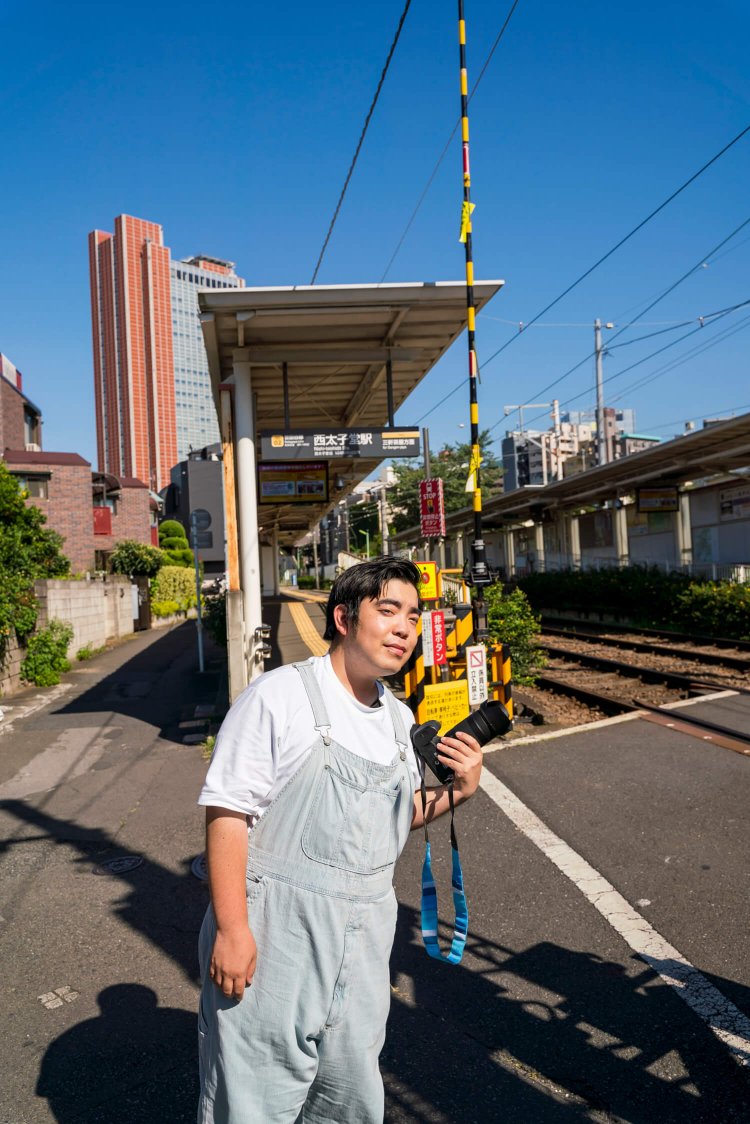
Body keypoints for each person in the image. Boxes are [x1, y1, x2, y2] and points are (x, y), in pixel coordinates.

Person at [197, 557, 483, 1123]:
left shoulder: (400, 720)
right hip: (279, 934)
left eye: (415, 614)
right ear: (345, 619)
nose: (405, 627)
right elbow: (228, 813)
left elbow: (392, 820)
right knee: (253, 1101)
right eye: (389, 610)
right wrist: (232, 930)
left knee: (348, 1101)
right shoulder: (279, 697)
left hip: (367, 945)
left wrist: (461, 793)